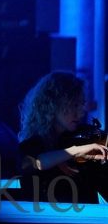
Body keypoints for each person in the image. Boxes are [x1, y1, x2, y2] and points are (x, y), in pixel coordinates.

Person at [17, 71, 108, 205]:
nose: (81, 111)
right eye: (74, 105)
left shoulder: (85, 136)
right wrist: (75, 151)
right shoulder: (31, 146)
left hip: (85, 220)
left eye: (82, 104)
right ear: (53, 105)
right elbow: (37, 162)